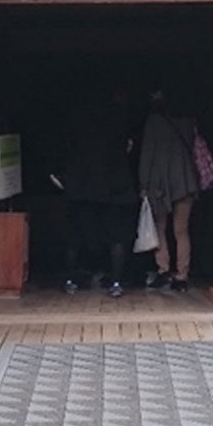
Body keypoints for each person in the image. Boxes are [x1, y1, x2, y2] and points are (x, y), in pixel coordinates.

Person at [62, 83, 138, 298]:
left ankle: (70, 280)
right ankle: (115, 282)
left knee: (75, 236)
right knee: (117, 237)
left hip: (82, 186)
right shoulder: (119, 119)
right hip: (116, 187)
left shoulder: (77, 119)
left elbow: (68, 150)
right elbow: (128, 148)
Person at [138, 89, 199, 292]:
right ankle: (182, 275)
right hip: (185, 179)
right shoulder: (189, 121)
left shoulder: (154, 122)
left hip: (159, 183)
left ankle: (163, 270)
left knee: (159, 228)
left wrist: (143, 184)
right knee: (182, 230)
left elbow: (147, 155)